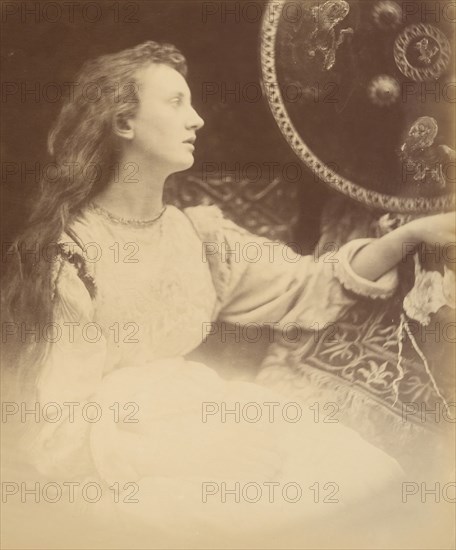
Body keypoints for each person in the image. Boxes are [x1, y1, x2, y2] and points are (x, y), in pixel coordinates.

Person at [2, 41, 454, 548]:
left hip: (200, 405)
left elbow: (306, 284)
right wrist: (183, 452)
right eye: (175, 103)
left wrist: (405, 238)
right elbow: (55, 430)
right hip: (127, 451)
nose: (196, 120)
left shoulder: (197, 236)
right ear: (123, 123)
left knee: (367, 475)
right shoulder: (72, 256)